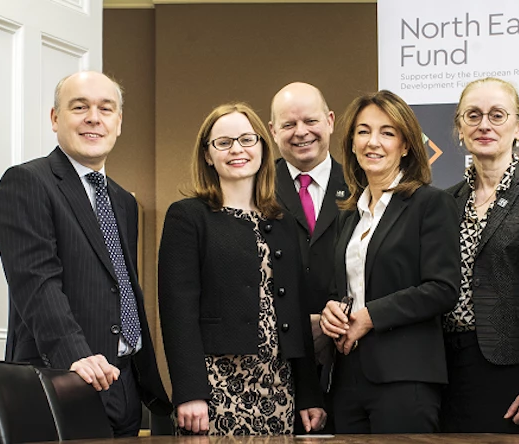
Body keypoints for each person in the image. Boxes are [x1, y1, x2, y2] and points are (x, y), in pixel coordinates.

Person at [0, 71, 172, 437]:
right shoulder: (28, 182)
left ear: (118, 123)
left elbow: (118, 284)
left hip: (124, 380)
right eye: (80, 107)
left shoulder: (122, 201)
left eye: (106, 109)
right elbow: (36, 283)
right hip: (60, 378)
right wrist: (76, 355)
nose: (94, 117)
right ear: (55, 118)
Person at [158, 103, 326, 435]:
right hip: (216, 385)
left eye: (248, 139)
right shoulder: (188, 217)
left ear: (263, 147)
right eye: (223, 142)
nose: (237, 149)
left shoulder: (284, 223)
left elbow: (297, 312)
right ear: (208, 154)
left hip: (279, 384)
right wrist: (190, 392)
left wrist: (309, 393)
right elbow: (178, 313)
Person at [319, 90, 460, 434]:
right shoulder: (349, 215)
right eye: (363, 131)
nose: (373, 142)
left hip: (405, 378)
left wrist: (370, 317)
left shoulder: (430, 204)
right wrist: (333, 312)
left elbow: (443, 289)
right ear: (352, 142)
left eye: (387, 132)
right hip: (348, 376)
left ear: (406, 145)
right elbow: (350, 288)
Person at [441, 77, 519, 434]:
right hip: (446, 367)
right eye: (473, 115)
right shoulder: (443, 202)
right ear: (459, 128)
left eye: (497, 115)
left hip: (512, 369)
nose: (484, 125)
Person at [269, 82, 348, 363]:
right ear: (273, 131)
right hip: (276, 352)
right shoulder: (256, 190)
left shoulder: (361, 185)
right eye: (289, 124)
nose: (301, 132)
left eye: (311, 120)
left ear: (329, 122)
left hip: (347, 347)